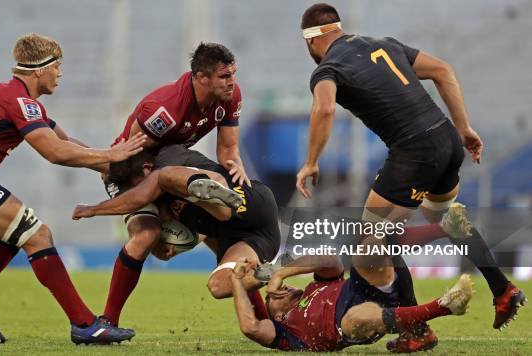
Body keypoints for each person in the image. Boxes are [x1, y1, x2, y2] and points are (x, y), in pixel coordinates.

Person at [294, 3, 524, 351]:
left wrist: (311, 162)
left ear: (311, 42)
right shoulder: (384, 43)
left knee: (373, 236)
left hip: (414, 152)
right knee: (442, 216)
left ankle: (417, 331)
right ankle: (502, 288)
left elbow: (324, 108)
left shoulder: (329, 67)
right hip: (446, 140)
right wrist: (463, 128)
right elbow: (443, 70)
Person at [0, 33, 146, 344]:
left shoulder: (16, 99)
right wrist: (111, 155)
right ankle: (84, 324)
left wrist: (111, 168)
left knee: (16, 234)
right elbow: (54, 153)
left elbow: (66, 143)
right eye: (58, 66)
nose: (61, 73)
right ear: (41, 69)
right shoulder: (19, 102)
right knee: (36, 234)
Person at [98, 42, 252, 330]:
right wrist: (164, 208)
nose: (232, 82)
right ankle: (107, 321)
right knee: (147, 236)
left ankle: (264, 320)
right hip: (129, 173)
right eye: (223, 76)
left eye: (233, 74)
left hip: (169, 172)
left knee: (226, 236)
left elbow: (229, 149)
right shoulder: (165, 109)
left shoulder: (231, 96)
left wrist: (237, 169)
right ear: (201, 77)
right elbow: (135, 160)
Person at [73, 144, 281, 324]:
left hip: (249, 203)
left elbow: (141, 194)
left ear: (145, 169)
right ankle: (276, 272)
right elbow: (165, 252)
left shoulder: (168, 157)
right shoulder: (162, 205)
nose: (135, 196)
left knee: (165, 177)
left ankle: (210, 190)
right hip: (242, 238)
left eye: (134, 188)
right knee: (217, 286)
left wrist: (94, 209)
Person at [229, 209, 475, 352]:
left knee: (370, 241)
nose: (283, 289)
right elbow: (251, 327)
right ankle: (443, 306)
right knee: (356, 318)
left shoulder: (315, 285)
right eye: (274, 298)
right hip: (348, 323)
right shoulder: (285, 332)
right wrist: (238, 282)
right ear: (277, 315)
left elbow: (328, 258)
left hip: (362, 287)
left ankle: (443, 228)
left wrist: (280, 272)